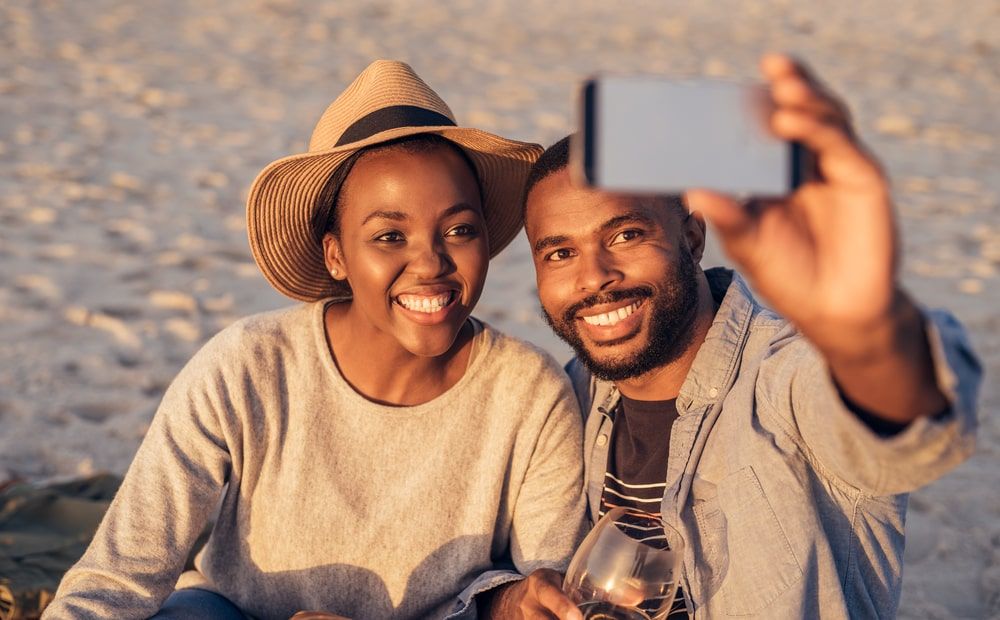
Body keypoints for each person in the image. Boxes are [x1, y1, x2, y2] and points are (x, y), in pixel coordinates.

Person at [44, 60, 587, 620]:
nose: (430, 263)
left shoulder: (530, 392)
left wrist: (522, 599)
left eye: (459, 229)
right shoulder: (248, 365)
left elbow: (536, 590)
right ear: (335, 255)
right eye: (389, 236)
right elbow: (118, 576)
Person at [485, 54, 981, 618]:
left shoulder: (784, 379)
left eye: (625, 235)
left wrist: (864, 328)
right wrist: (511, 601)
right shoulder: (568, 392)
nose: (594, 277)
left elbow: (899, 419)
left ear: (692, 237)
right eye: (560, 253)